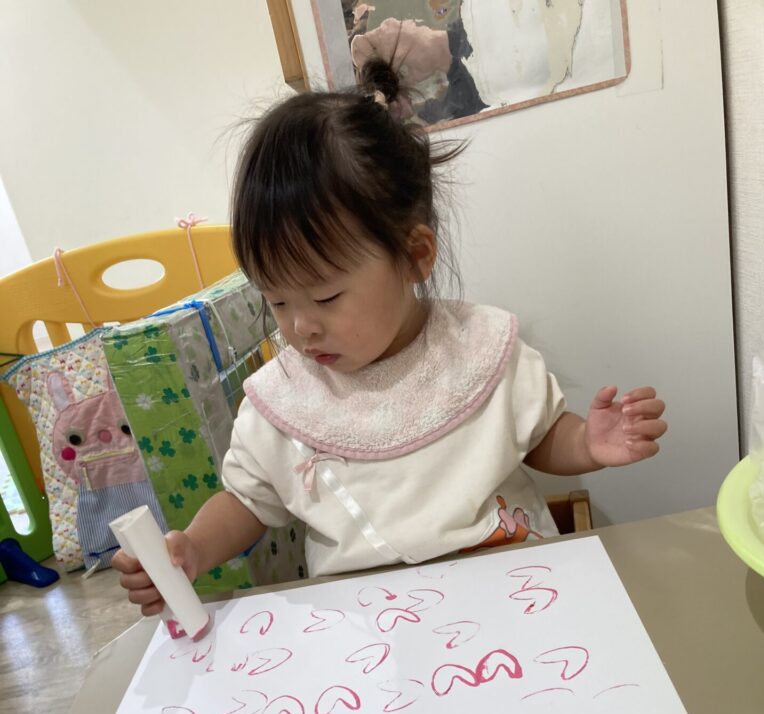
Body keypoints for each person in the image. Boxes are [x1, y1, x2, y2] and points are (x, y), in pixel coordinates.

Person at [113, 57, 666, 617]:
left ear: (415, 256)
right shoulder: (286, 399)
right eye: (276, 301)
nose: (301, 327)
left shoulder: (477, 349)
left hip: (510, 603)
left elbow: (538, 435)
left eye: (326, 297)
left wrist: (587, 444)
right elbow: (248, 502)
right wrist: (193, 549)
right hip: (371, 637)